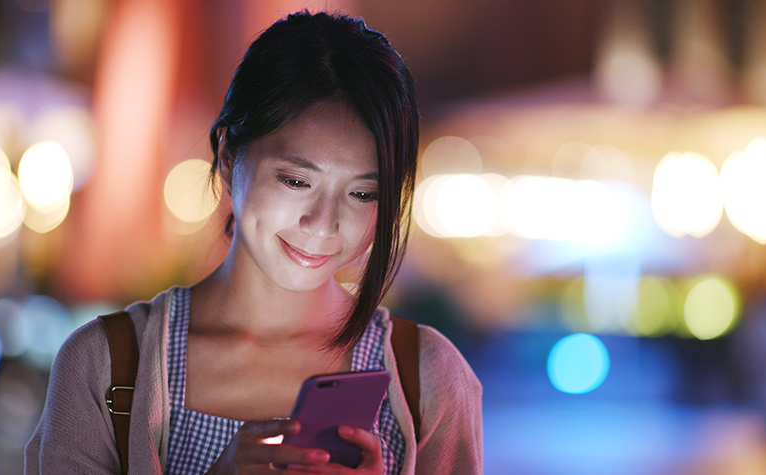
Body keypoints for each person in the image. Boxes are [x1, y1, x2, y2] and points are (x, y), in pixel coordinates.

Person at [25, 11, 482, 475]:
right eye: (296, 180)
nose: (324, 223)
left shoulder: (428, 380)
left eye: (363, 193)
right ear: (227, 156)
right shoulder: (106, 367)